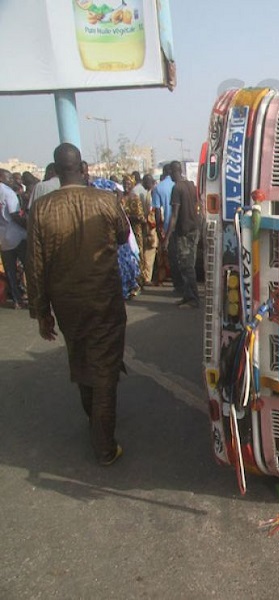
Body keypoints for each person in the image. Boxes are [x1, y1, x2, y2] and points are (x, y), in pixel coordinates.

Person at [25, 143, 129, 466]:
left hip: (67, 304)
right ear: (83, 168)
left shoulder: (41, 209)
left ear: (55, 171)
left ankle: (94, 422)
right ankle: (104, 446)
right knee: (105, 371)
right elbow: (125, 234)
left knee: (83, 359)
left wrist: (42, 313)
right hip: (104, 300)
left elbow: (35, 265)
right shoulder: (105, 200)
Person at [164, 161, 201, 308]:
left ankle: (193, 299)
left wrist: (166, 238)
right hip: (194, 229)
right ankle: (187, 296)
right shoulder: (191, 185)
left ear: (174, 172)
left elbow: (174, 216)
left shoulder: (177, 188)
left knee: (186, 266)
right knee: (188, 265)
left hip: (184, 232)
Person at [151, 163, 182, 293]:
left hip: (168, 227)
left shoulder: (158, 188)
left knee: (173, 257)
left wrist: (159, 229)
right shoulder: (180, 184)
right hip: (181, 225)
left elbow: (157, 212)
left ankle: (178, 285)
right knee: (182, 258)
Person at [0, 169, 28, 309]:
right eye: (9, 178)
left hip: (3, 239)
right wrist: (29, 225)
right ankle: (34, 298)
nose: (11, 180)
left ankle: (17, 300)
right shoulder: (8, 192)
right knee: (29, 268)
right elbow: (15, 215)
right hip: (17, 236)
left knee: (10, 271)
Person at [140, 174, 159, 285]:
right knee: (150, 252)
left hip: (150, 227)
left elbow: (151, 212)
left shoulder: (150, 194)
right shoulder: (150, 193)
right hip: (151, 227)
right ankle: (148, 277)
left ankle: (147, 277)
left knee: (149, 252)